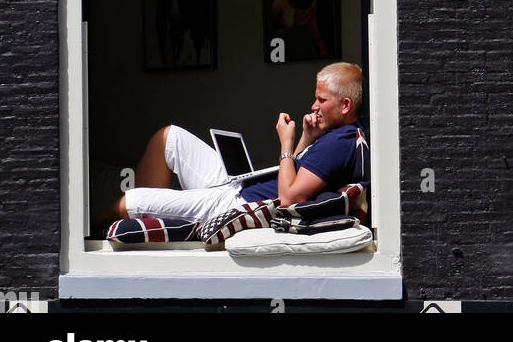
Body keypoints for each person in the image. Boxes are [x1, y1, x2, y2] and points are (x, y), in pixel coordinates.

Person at [100, 62, 369, 230]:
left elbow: (289, 199)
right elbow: (296, 172)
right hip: (239, 187)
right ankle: (157, 216)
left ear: (345, 105)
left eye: (321, 100)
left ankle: (88, 232)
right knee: (170, 138)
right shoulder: (337, 136)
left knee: (127, 202)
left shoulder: (339, 143)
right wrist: (307, 137)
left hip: (236, 203)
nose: (313, 106)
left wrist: (285, 142)